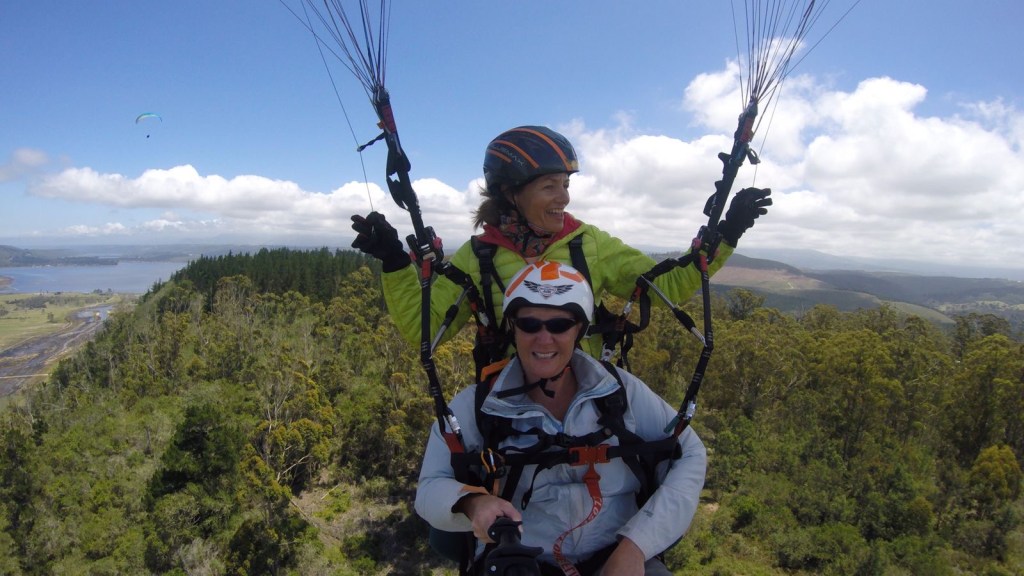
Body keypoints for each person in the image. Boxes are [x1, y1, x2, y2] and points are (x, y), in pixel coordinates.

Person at [351, 125, 771, 363]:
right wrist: (393, 261)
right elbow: (423, 331)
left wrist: (728, 232)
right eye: (550, 185)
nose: (564, 197)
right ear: (511, 193)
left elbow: (665, 287)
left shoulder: (588, 243)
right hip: (508, 397)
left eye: (566, 185)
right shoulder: (479, 256)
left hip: (590, 387)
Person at [415, 261, 707, 575]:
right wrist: (473, 504)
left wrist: (636, 546)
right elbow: (430, 488)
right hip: (520, 561)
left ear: (579, 329)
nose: (544, 339)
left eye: (559, 325)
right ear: (513, 327)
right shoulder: (478, 405)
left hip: (618, 557)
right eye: (529, 324)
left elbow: (690, 453)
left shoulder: (619, 391)